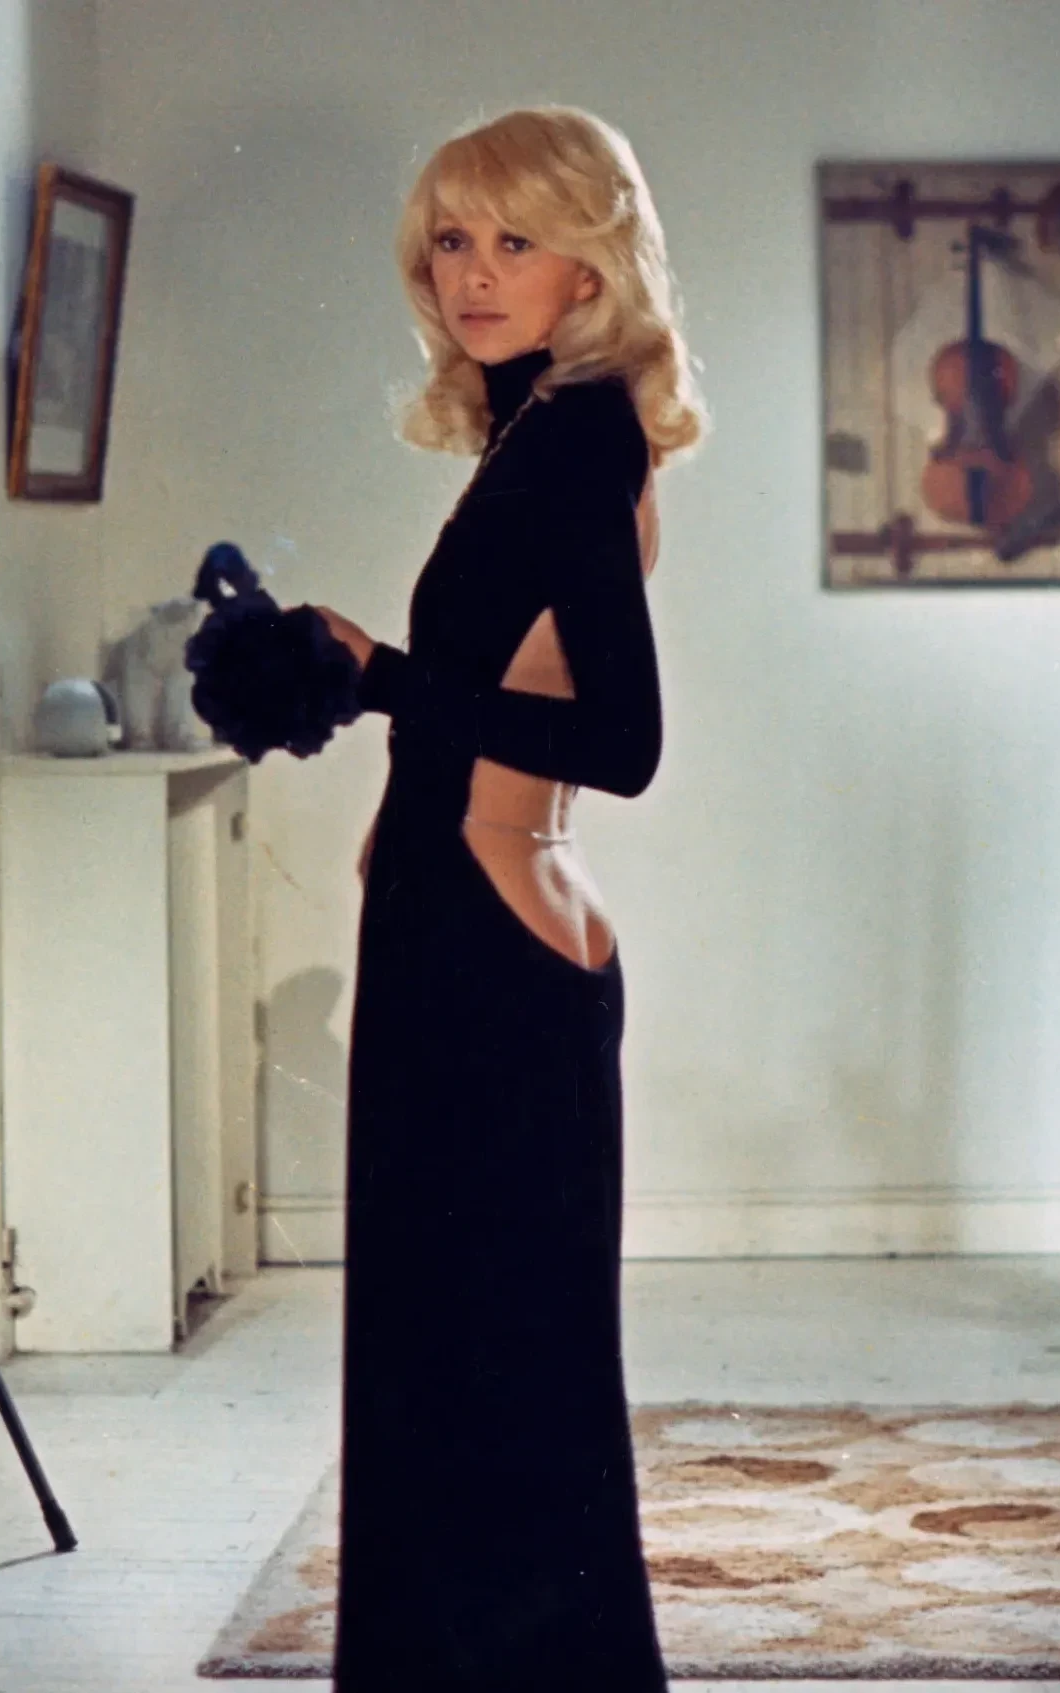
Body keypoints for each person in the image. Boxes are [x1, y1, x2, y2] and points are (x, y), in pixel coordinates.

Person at [312, 103, 705, 1693]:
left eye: (515, 241)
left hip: (483, 941)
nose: (470, 274)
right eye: (450, 241)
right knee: (465, 1352)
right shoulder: (539, 429)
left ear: (590, 265)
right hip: (461, 917)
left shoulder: (577, 439)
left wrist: (376, 673)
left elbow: (622, 743)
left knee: (474, 1357)